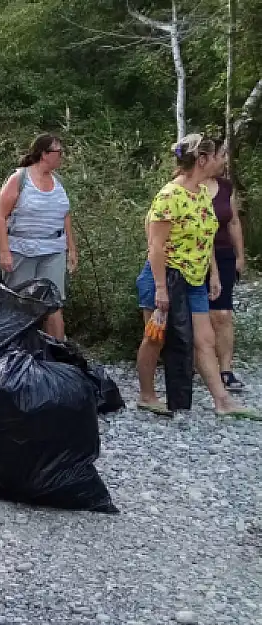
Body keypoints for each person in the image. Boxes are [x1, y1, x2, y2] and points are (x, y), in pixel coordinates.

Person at [135, 134, 252, 419]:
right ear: (202, 160)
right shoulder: (169, 196)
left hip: (195, 279)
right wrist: (161, 289)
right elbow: (156, 246)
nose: (220, 162)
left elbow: (205, 236)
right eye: (215, 156)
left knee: (205, 339)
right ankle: (147, 395)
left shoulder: (201, 192)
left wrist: (213, 272)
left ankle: (222, 400)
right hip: (164, 277)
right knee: (155, 337)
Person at [0, 133, 77, 340]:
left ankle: (58, 356)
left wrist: (72, 249)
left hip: (54, 250)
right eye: (59, 152)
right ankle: (14, 354)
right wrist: (5, 252)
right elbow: (0, 217)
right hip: (22, 250)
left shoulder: (58, 182)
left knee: (53, 303)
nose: (62, 156)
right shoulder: (19, 179)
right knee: (19, 302)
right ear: (44, 154)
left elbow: (65, 216)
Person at [203, 140, 246, 393]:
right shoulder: (190, 186)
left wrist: (240, 255)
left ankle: (226, 369)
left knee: (222, 313)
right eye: (221, 156)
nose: (225, 161)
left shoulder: (226, 187)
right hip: (196, 256)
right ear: (206, 158)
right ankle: (198, 364)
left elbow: (233, 223)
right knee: (198, 313)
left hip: (223, 253)